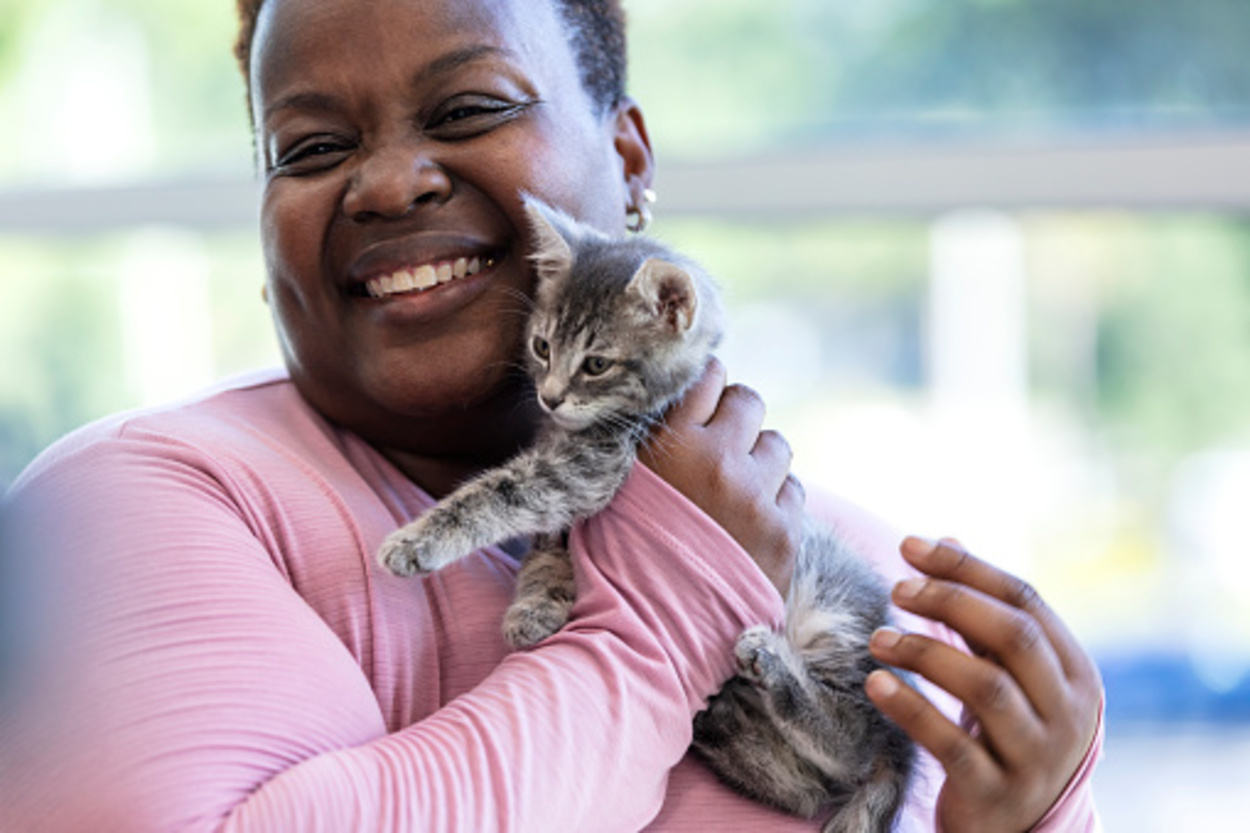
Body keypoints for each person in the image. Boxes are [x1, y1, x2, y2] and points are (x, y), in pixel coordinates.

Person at [0, 0, 1104, 830]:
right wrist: (661, 606)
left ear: (627, 163)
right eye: (310, 149)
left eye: (469, 107)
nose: (385, 185)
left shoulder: (859, 571)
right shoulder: (123, 506)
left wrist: (1015, 820)